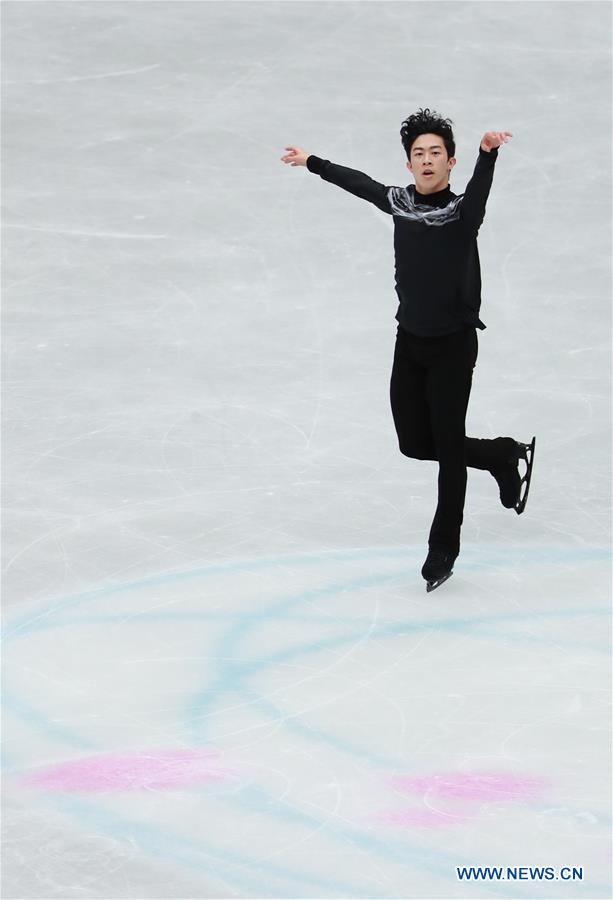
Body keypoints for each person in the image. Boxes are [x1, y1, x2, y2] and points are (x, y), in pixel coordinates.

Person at [281, 108, 535, 592]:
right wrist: (313, 161)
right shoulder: (399, 202)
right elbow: (358, 183)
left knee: (446, 444)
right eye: (418, 153)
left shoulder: (462, 214)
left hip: (453, 347)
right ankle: (501, 455)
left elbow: (480, 193)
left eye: (435, 152)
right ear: (409, 164)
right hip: (410, 341)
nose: (426, 160)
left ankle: (444, 547)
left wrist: (488, 154)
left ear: (450, 162)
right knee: (416, 444)